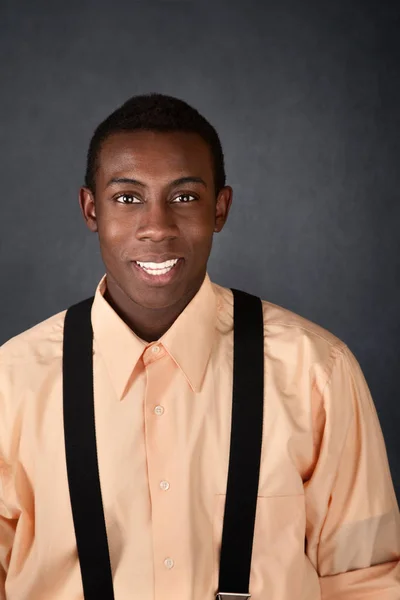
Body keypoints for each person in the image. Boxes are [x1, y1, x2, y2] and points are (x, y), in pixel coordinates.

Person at [0, 93, 399, 600]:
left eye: (184, 197)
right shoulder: (11, 383)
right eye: (127, 198)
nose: (157, 227)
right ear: (90, 208)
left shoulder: (317, 372)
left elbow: (366, 580)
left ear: (220, 208)